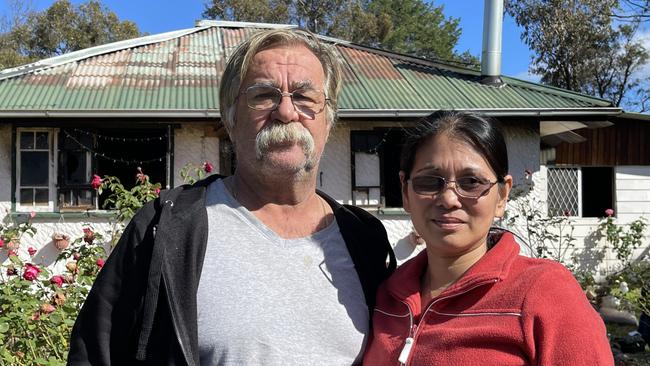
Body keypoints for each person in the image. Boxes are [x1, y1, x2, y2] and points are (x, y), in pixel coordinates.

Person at [68, 28, 395, 365]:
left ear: (329, 119)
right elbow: (94, 355)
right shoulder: (166, 227)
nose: (285, 112)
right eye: (263, 95)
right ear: (231, 117)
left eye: (304, 97)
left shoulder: (364, 240)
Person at [363, 111, 613, 365]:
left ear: (502, 196)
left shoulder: (545, 293)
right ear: (405, 191)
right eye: (429, 181)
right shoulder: (387, 296)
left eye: (471, 182)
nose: (449, 199)